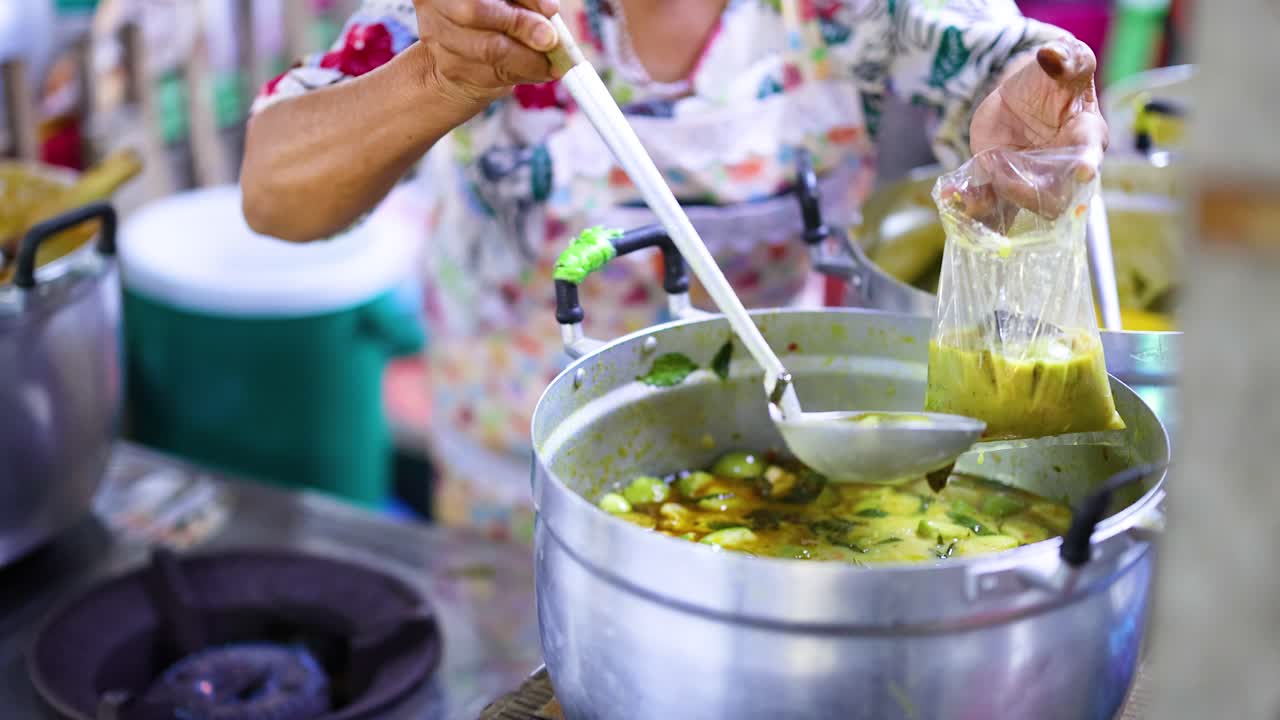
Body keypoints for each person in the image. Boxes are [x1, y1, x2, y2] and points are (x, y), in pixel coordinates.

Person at [240, 0, 1106, 540]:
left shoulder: (850, 11)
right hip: (508, 482)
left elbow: (1006, 58)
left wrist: (1037, 118)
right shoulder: (477, 10)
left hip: (770, 451)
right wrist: (437, 75)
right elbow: (276, 197)